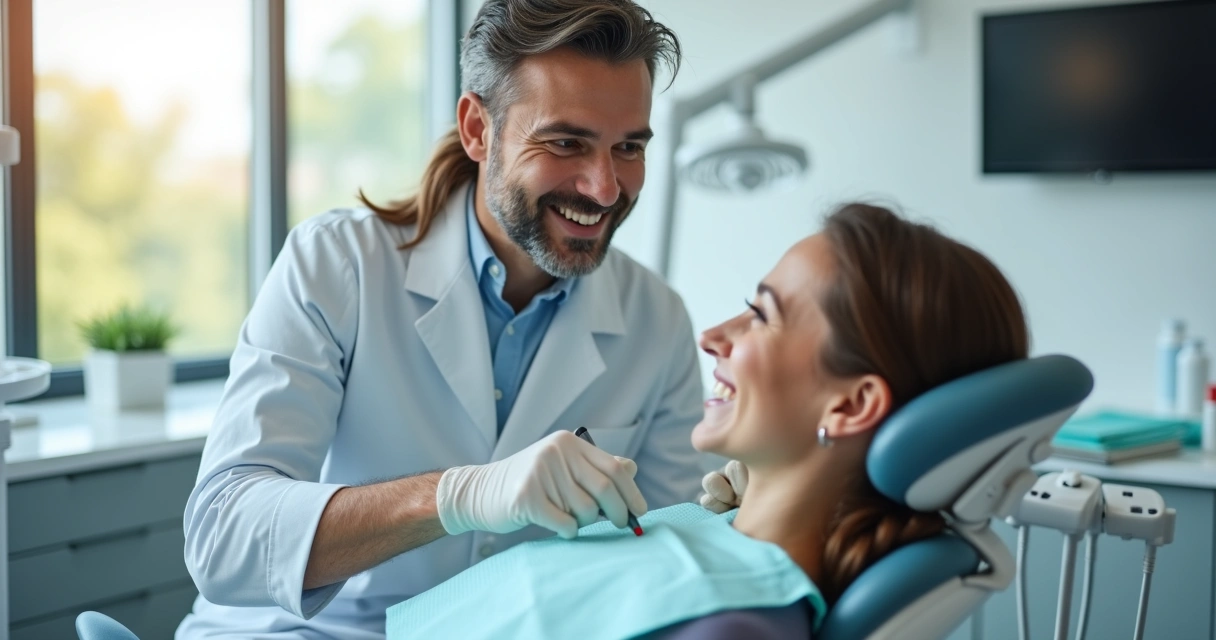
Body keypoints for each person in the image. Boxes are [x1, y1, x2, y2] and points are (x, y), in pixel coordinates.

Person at [176, 2, 707, 638]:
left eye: (628, 148)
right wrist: (459, 496)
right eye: (566, 142)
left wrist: (724, 525)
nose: (604, 188)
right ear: (478, 129)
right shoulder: (338, 265)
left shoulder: (659, 323)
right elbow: (223, 534)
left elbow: (661, 561)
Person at [383, 203, 1031, 639]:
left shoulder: (734, 625)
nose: (715, 335)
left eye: (764, 315)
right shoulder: (715, 536)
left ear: (852, 405)